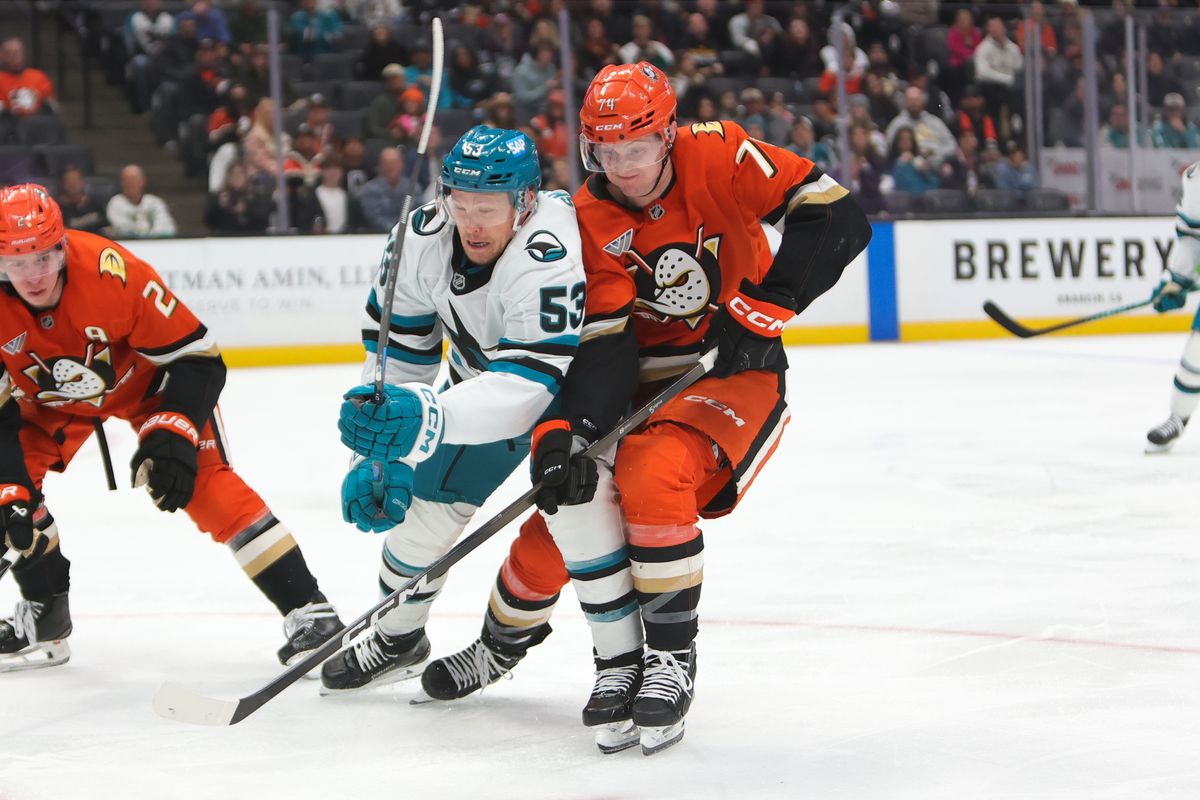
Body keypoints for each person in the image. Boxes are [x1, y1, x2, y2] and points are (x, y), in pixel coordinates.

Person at [422, 62, 872, 756]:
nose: (622, 168)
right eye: (605, 152)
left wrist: (763, 309)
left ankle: (668, 659)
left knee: (653, 471)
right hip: (639, 384)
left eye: (636, 150)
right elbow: (603, 350)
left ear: (667, 137)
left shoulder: (719, 152)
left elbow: (837, 216)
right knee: (565, 520)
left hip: (733, 375)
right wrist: (567, 435)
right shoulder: (583, 220)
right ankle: (498, 647)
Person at [0, 184, 343, 671]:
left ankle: (310, 610)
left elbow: (200, 359)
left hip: (148, 386)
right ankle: (44, 612)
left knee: (203, 482)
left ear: (62, 247)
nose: (32, 276)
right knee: (5, 498)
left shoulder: (111, 273)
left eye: (42, 259)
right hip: (48, 404)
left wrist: (174, 427)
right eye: (16, 263)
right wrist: (12, 490)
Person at [318, 127, 598, 701]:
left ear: (524, 202)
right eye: (460, 203)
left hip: (577, 404)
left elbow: (531, 387)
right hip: (478, 388)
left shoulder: (550, 244)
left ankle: (501, 651)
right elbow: (398, 357)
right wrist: (378, 449)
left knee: (571, 533)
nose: (470, 222)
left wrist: (423, 421)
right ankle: (398, 637)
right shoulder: (419, 237)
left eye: (487, 208)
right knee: (420, 523)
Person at [1146, 162, 1200, 453]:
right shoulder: (1196, 179)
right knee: (1197, 351)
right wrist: (1177, 279)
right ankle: (1177, 418)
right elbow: (1192, 236)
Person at [106, 164, 178, 239]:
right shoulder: (116, 203)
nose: (131, 183)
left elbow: (167, 226)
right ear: (122, 182)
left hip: (157, 244)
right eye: (128, 179)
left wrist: (153, 237)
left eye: (135, 179)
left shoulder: (155, 202)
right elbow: (121, 228)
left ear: (143, 181)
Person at [0, 38, 57, 117]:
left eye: (17, 52)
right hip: (8, 122)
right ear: (2, 56)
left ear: (23, 54)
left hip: (36, 121)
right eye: (9, 52)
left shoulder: (38, 76)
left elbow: (50, 102)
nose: (14, 55)